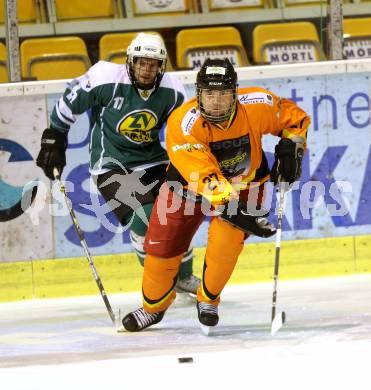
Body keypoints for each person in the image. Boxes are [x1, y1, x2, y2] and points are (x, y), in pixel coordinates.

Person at [122, 57, 310, 332]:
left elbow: (296, 119)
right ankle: (153, 307)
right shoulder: (183, 123)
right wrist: (231, 207)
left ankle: (208, 299)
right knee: (162, 247)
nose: (216, 101)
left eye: (223, 93)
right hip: (187, 187)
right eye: (209, 93)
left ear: (235, 93)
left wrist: (293, 147)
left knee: (226, 246)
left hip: (246, 184)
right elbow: (202, 173)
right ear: (199, 94)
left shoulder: (259, 104)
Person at [35, 33, 200, 294]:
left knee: (180, 214)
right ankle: (158, 283)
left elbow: (187, 129)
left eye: (153, 64)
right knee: (144, 218)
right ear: (130, 62)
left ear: (161, 66)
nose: (146, 70)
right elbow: (69, 100)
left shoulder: (173, 90)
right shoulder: (105, 77)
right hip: (112, 165)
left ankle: (184, 277)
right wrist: (54, 138)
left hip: (155, 160)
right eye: (141, 63)